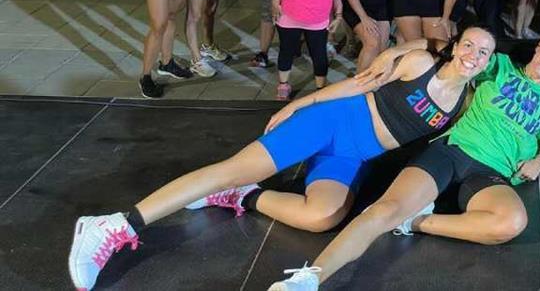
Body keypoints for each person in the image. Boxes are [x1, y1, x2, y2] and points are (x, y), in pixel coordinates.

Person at [68, 33, 496, 291]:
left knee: (324, 215)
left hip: (352, 154)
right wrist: (301, 104)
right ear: (456, 45)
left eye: (483, 52)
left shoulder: (463, 101)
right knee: (235, 164)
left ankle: (242, 197)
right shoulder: (420, 62)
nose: (473, 55)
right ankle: (116, 224)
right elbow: (357, 83)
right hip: (331, 121)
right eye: (469, 45)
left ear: (486, 64)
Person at [266, 34, 540, 290]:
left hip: (494, 173)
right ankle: (309, 279)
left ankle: (413, 221)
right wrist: (396, 51)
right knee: (384, 210)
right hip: (452, 151)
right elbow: (443, 44)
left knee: (512, 222)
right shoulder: (499, 65)